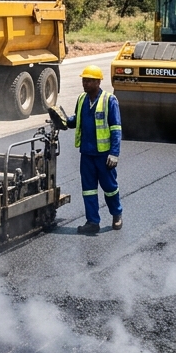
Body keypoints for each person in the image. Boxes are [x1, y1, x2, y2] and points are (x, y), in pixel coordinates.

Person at [61, 65, 122, 234]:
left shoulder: (109, 100)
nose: (84, 84)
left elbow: (116, 128)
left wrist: (114, 153)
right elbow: (77, 120)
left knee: (110, 188)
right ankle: (92, 221)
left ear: (97, 82)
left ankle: (117, 214)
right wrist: (64, 121)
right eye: (83, 80)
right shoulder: (81, 99)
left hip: (104, 155)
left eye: (88, 81)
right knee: (89, 190)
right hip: (87, 154)